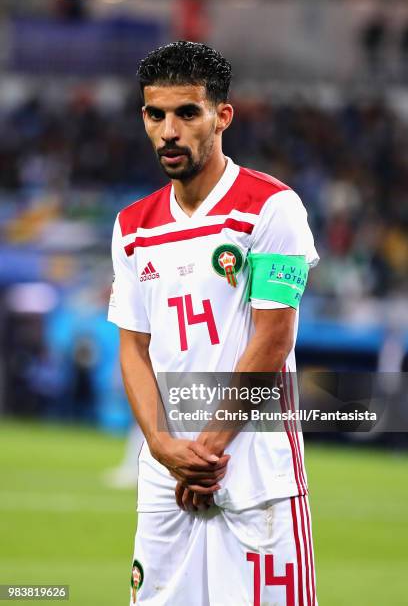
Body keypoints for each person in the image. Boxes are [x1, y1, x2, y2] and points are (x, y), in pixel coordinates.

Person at [108, 41, 319, 606]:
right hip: (166, 483)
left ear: (222, 116)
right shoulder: (131, 227)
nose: (168, 131)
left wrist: (206, 455)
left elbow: (274, 337)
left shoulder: (274, 209)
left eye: (187, 113)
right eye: (156, 114)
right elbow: (132, 347)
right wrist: (160, 446)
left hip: (254, 480)